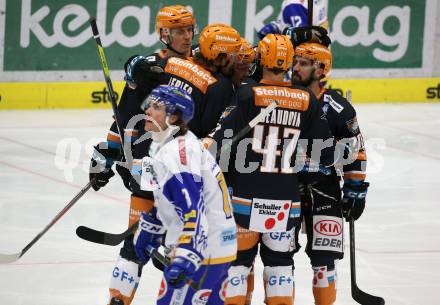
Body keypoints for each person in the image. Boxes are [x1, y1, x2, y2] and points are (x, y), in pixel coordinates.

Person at [209, 33, 336, 305]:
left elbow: (218, 144)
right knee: (279, 265)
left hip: (243, 200)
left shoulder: (246, 94)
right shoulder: (305, 99)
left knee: (238, 264)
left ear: (260, 59)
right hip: (286, 203)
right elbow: (325, 155)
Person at [88, 5, 198, 305]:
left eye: (189, 29)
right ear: (164, 34)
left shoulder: (202, 63)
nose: (186, 36)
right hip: (147, 165)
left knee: (184, 243)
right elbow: (125, 118)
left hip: (186, 168)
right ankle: (118, 298)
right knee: (134, 244)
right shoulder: (148, 68)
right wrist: (107, 155)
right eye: (179, 31)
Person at [132, 85, 237, 305]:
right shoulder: (173, 144)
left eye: (157, 107)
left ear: (175, 116)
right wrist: (151, 226)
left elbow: (193, 209)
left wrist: (187, 255)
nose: (148, 111)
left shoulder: (178, 153)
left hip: (205, 252)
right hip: (214, 247)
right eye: (149, 105)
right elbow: (173, 200)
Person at [291, 41, 369, 305]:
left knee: (324, 260)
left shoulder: (338, 108)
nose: (295, 67)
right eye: (295, 61)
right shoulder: (283, 98)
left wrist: (354, 188)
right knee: (279, 259)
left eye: (303, 63)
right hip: (284, 186)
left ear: (321, 68)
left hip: (324, 186)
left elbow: (355, 151)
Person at [257, 0, 329, 40]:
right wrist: (275, 26)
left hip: (310, 50)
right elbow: (283, 24)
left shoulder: (318, 3)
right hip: (293, 50)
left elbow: (321, 31)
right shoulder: (288, 2)